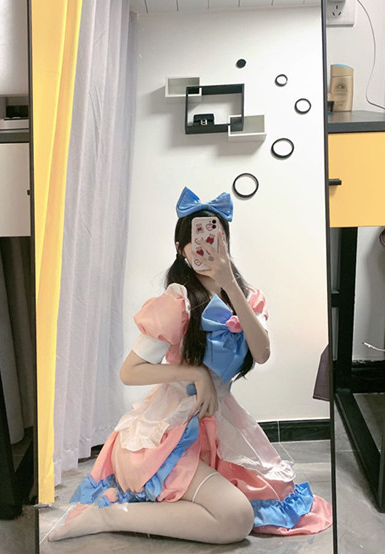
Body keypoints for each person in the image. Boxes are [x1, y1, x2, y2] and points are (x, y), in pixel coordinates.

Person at [49, 187, 332, 544]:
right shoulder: (177, 302)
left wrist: (229, 283)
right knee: (236, 518)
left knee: (268, 499)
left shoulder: (247, 297)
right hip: (169, 428)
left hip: (218, 423)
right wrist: (196, 373)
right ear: (180, 248)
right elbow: (130, 371)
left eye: (215, 236)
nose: (205, 245)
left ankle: (161, 506)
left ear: (226, 242)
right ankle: (105, 515)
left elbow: (261, 353)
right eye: (196, 239)